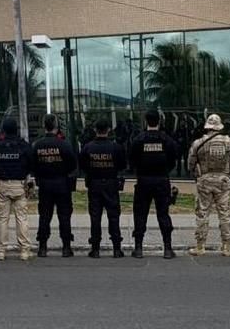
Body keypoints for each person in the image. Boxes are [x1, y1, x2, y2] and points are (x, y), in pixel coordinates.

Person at [186, 114, 230, 257]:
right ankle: (226, 247)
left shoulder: (198, 143)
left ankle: (200, 246)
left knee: (203, 213)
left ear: (207, 126)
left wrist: (196, 177)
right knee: (225, 214)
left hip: (204, 180)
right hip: (223, 181)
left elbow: (190, 164)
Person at [127, 109, 179, 259]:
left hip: (143, 180)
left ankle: (138, 249)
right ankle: (168, 249)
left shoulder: (139, 140)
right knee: (163, 214)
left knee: (140, 214)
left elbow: (132, 160)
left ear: (145, 121)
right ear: (159, 121)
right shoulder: (166, 140)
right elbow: (173, 160)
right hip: (162, 180)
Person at [30, 114, 78, 258]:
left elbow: (33, 165)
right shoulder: (64, 144)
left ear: (44, 126)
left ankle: (43, 247)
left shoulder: (37, 145)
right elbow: (72, 164)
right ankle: (66, 247)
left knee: (44, 216)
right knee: (64, 216)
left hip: (45, 184)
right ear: (57, 127)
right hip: (62, 183)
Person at [80, 118, 126, 258]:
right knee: (113, 216)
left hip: (94, 184)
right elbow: (122, 165)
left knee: (95, 217)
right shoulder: (115, 147)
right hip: (111, 184)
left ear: (95, 130)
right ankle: (117, 249)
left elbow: (83, 166)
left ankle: (95, 249)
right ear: (108, 130)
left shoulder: (88, 147)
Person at [0, 118, 34, 261]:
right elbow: (30, 163)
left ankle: (1, 251)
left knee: (3, 218)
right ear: (16, 129)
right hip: (19, 184)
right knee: (22, 218)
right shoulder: (24, 146)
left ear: (3, 130)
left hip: (3, 183)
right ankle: (24, 251)